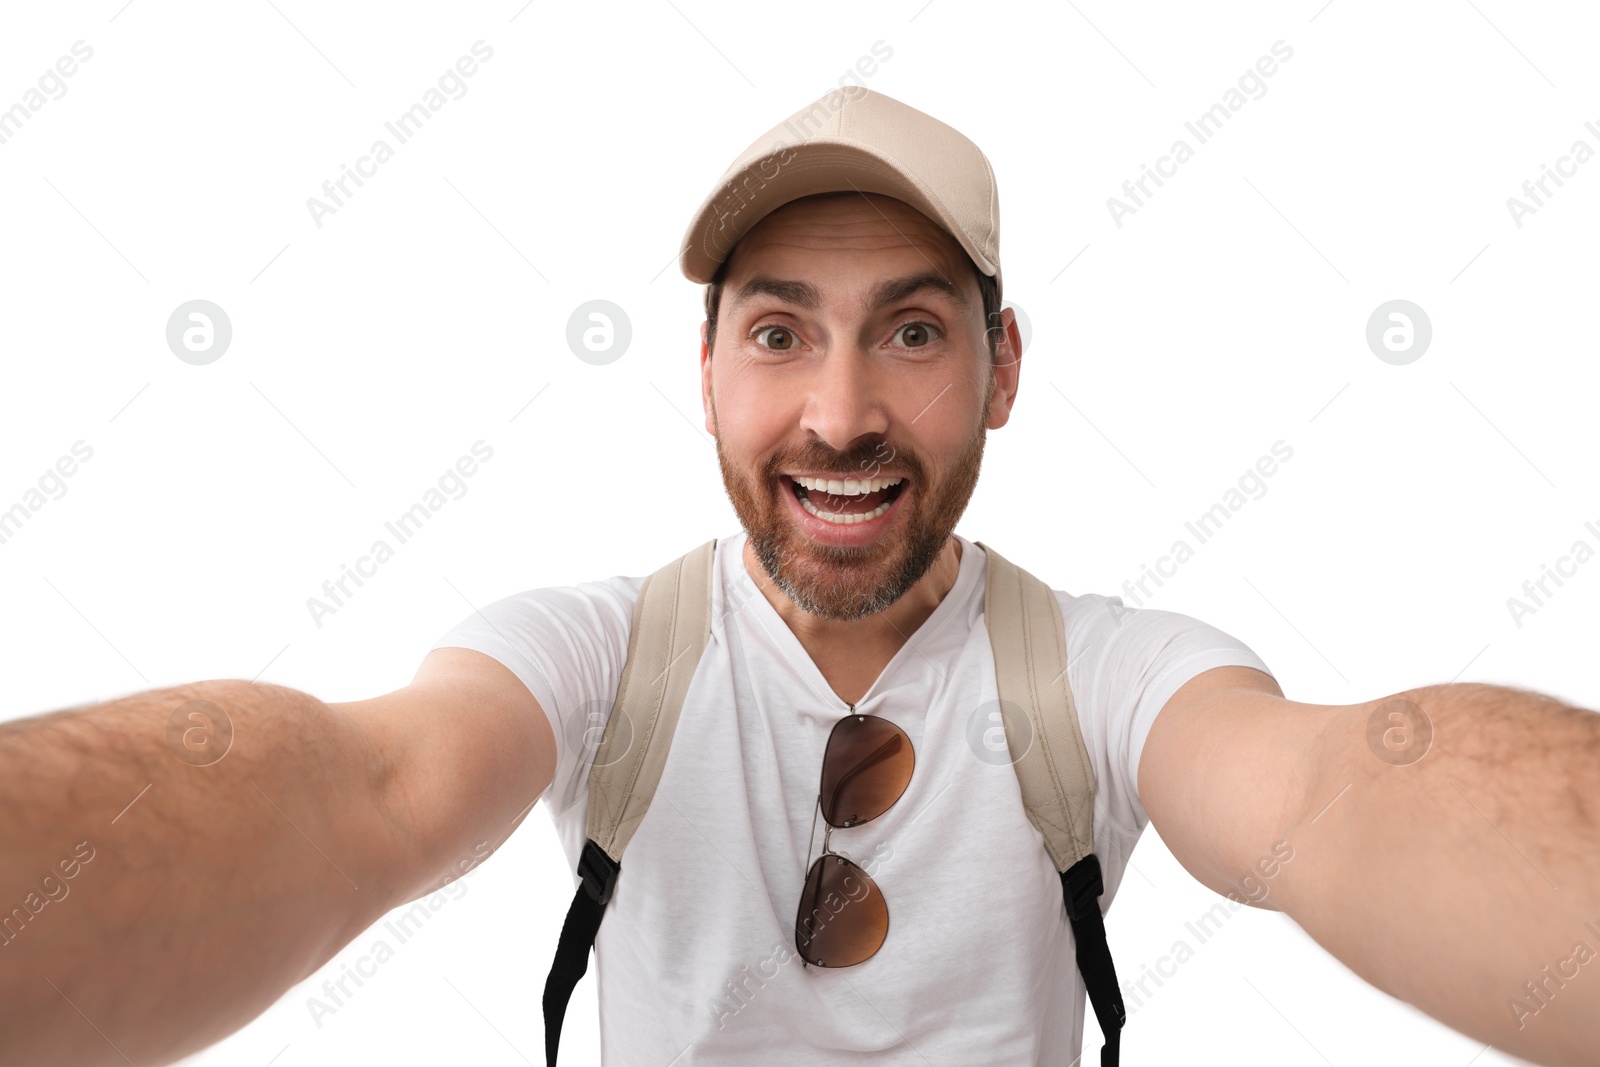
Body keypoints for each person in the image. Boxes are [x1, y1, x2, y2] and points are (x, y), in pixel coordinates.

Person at [1, 86, 1596, 1067]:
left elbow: (1329, 790)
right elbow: (369, 788)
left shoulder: (1103, 678)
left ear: (1003, 367)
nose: (840, 414)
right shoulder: (597, 653)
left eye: (912, 330)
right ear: (705, 371)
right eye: (780, 333)